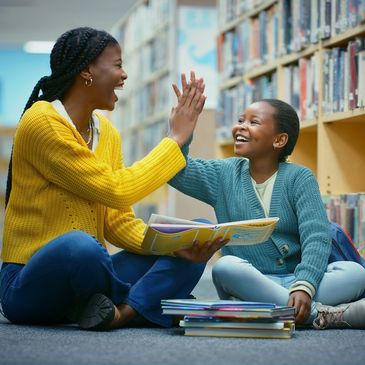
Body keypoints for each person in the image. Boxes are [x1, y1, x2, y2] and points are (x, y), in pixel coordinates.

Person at [0, 27, 228, 331]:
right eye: (118, 64)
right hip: (28, 283)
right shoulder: (42, 122)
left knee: (198, 233)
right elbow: (117, 190)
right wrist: (174, 140)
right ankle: (143, 303)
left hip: (88, 280)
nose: (124, 75)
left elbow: (117, 222)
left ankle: (120, 312)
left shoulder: (107, 134)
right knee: (81, 247)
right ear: (86, 71)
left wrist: (175, 245)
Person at [169, 94, 365, 329]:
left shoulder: (299, 178)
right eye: (241, 120)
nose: (240, 126)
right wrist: (181, 133)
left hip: (298, 279)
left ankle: (278, 309)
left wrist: (304, 285)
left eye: (253, 122)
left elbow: (316, 236)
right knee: (225, 267)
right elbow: (175, 171)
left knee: (354, 272)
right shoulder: (225, 174)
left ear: (279, 140)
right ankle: (322, 315)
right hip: (252, 281)